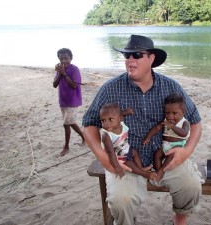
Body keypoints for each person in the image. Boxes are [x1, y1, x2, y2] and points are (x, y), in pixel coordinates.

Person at [82, 35, 202, 225]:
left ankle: (179, 219)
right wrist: (104, 158)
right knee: (121, 202)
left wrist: (186, 152)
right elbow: (88, 124)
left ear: (151, 58)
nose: (130, 60)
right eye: (126, 55)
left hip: (165, 156)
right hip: (126, 160)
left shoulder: (170, 86)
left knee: (191, 186)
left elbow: (196, 122)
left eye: (136, 55)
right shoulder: (110, 89)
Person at [99, 103, 156, 180]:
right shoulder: (107, 136)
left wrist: (126, 112)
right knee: (129, 163)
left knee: (135, 152)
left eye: (110, 119)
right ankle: (144, 174)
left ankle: (141, 168)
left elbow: (118, 114)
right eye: (103, 120)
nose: (106, 123)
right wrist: (117, 167)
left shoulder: (121, 123)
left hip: (127, 148)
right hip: (119, 155)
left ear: (120, 119)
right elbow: (111, 153)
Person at [142, 93, 190, 182]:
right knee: (157, 154)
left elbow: (184, 133)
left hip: (177, 146)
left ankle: (162, 171)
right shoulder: (165, 121)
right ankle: (157, 170)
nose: (170, 116)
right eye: (167, 113)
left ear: (183, 113)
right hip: (165, 145)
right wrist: (148, 137)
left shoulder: (184, 122)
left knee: (171, 156)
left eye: (174, 113)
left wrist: (172, 126)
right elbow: (157, 127)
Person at [53, 48, 85, 156]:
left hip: (73, 100)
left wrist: (64, 74)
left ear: (71, 58)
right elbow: (54, 84)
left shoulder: (75, 69)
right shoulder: (60, 70)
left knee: (66, 123)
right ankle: (84, 137)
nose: (64, 61)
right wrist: (60, 73)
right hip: (63, 100)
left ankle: (66, 146)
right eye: (61, 58)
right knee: (70, 122)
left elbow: (74, 85)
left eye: (66, 58)